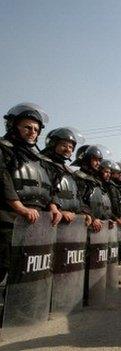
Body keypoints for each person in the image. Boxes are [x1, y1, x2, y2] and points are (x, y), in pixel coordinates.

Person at [0, 103, 62, 318]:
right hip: (8, 219)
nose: (32, 132)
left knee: (26, 267)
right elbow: (3, 179)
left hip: (34, 222)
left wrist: (52, 207)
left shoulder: (36, 159)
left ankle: (20, 312)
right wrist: (19, 207)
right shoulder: (3, 148)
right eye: (27, 127)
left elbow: (46, 186)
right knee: (5, 267)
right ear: (13, 126)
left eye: (36, 129)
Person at [41, 127, 86, 224]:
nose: (67, 149)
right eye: (64, 145)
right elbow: (44, 192)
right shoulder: (43, 164)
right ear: (53, 144)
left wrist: (84, 213)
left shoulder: (69, 171)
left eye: (70, 147)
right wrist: (60, 211)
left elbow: (77, 197)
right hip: (49, 220)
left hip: (69, 221)